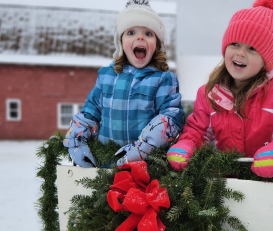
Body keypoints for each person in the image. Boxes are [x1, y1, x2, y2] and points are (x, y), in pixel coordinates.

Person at [167, 0, 273, 182]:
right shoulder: (210, 93)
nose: (240, 53)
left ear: (267, 60)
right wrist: (188, 144)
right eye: (234, 44)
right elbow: (199, 129)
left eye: (252, 48)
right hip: (225, 188)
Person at [63, 0, 184, 167]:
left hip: (146, 168)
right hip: (106, 166)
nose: (140, 37)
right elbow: (90, 113)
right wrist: (77, 140)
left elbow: (171, 118)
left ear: (157, 45)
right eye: (131, 32)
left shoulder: (163, 79)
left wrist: (143, 147)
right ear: (120, 42)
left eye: (148, 33)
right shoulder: (106, 76)